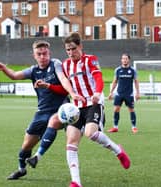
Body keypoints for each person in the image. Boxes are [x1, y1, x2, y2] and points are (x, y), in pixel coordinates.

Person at [27, 32, 131, 187]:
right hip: (76, 108)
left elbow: (98, 78)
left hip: (93, 103)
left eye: (73, 49)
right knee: (71, 143)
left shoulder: (90, 60)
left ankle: (118, 150)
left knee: (90, 133)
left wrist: (97, 92)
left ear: (80, 46)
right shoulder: (66, 65)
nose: (70, 53)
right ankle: (76, 182)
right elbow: (64, 88)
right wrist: (48, 85)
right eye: (67, 50)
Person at [0, 40, 78, 180]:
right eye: (39, 54)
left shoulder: (56, 64)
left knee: (53, 122)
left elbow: (63, 80)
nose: (42, 56)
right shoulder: (33, 70)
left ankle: (37, 156)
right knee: (26, 145)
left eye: (45, 53)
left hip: (60, 109)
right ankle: (21, 169)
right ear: (34, 55)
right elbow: (15, 76)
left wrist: (71, 93)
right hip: (42, 112)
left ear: (49, 53)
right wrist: (4, 68)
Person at [107, 53, 140, 134]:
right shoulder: (117, 70)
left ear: (129, 60)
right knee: (116, 109)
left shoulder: (133, 70)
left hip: (129, 94)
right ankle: (115, 127)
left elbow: (136, 82)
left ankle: (134, 127)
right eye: (123, 58)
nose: (124, 60)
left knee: (131, 110)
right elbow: (115, 81)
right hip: (119, 94)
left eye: (126, 58)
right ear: (121, 60)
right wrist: (111, 92)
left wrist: (138, 93)